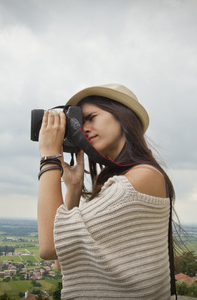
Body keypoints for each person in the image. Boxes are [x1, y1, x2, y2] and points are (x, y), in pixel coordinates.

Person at [37, 83, 178, 299]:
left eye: (91, 117)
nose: (83, 129)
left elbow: (48, 248)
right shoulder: (125, 180)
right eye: (79, 123)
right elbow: (60, 261)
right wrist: (73, 188)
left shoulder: (139, 179)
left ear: (123, 118)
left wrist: (49, 157)